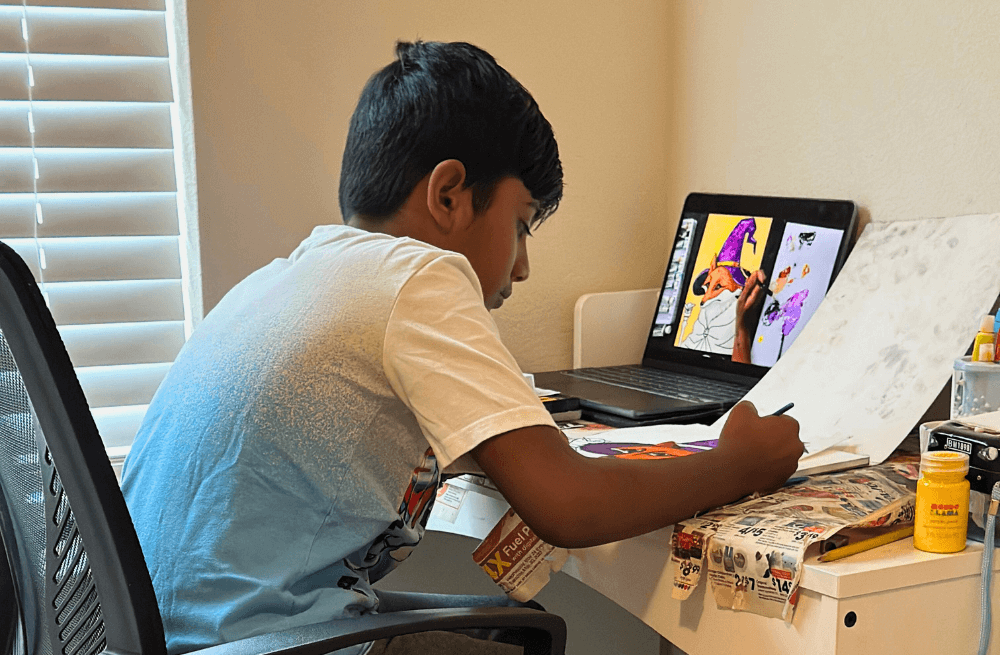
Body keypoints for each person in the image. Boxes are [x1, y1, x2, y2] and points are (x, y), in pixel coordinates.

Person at [121, 40, 803, 655]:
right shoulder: (420, 277)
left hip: (180, 634)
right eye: (522, 224)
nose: (523, 265)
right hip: (261, 642)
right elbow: (570, 506)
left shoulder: (294, 274)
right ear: (449, 194)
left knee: (512, 624)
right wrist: (736, 461)